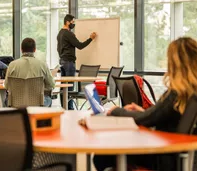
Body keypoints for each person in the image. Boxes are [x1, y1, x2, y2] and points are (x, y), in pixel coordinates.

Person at [93, 37, 197, 171]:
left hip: (163, 156)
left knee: (101, 156)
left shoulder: (177, 92)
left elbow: (146, 119)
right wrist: (143, 111)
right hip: (176, 155)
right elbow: (162, 115)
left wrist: (115, 110)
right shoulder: (190, 92)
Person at [57, 14, 97, 109]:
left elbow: (58, 49)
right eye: (72, 22)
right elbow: (80, 45)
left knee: (63, 87)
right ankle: (69, 109)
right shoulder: (68, 34)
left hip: (62, 61)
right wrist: (91, 38)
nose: (73, 24)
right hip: (69, 63)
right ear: (67, 22)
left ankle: (64, 108)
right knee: (70, 87)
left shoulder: (60, 33)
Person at [4, 38, 54, 107]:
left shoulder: (12, 65)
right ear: (34, 50)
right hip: (38, 103)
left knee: (6, 99)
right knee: (48, 99)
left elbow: (6, 86)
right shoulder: (43, 65)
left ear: (21, 50)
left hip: (16, 103)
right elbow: (51, 85)